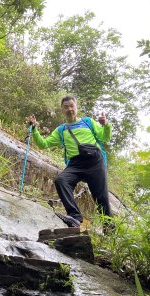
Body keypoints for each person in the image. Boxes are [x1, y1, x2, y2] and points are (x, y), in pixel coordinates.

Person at [27, 96, 112, 229]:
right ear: (62, 111)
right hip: (75, 164)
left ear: (76, 108)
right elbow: (43, 144)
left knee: (101, 198)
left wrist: (106, 124)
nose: (69, 109)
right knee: (61, 180)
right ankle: (75, 217)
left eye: (72, 106)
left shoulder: (88, 122)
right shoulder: (62, 130)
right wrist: (34, 129)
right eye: (66, 107)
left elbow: (105, 137)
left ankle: (110, 230)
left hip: (95, 161)